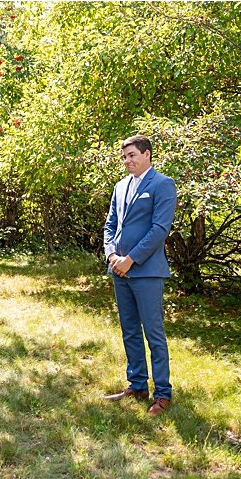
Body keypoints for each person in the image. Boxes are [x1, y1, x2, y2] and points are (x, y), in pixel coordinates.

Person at [103, 135, 177, 418]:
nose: (127, 161)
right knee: (130, 330)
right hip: (119, 270)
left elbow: (159, 229)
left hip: (145, 271)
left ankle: (162, 394)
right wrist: (113, 257)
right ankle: (136, 385)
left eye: (132, 155)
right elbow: (110, 226)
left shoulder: (162, 184)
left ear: (147, 155)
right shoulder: (120, 187)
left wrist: (131, 259)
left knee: (153, 333)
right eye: (124, 157)